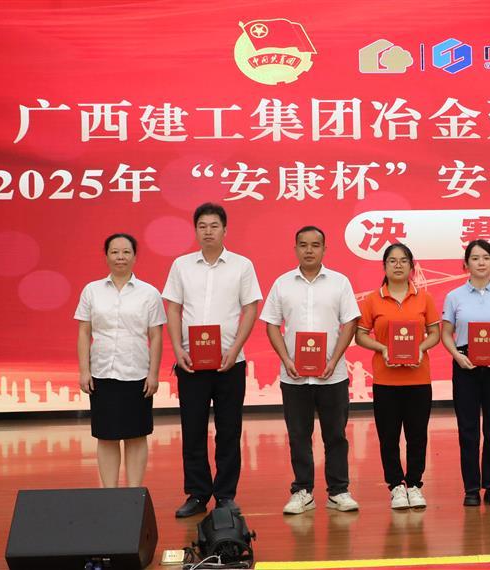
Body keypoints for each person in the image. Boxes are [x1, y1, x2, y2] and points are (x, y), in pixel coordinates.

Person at [162, 203, 262, 517]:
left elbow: (251, 308)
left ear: (225, 230)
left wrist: (236, 349)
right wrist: (177, 348)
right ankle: (197, 494)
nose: (208, 231)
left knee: (229, 430)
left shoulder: (242, 265)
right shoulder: (181, 265)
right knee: (192, 429)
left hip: (230, 362)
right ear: (195, 230)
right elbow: (174, 308)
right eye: (202, 226)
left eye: (214, 226)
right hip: (191, 362)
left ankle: (225, 495)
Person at [261, 226, 361, 514]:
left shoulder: (340, 283)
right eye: (303, 245)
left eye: (315, 245)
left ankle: (338, 491)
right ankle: (302, 491)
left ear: (324, 249)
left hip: (333, 376)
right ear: (295, 248)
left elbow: (350, 323)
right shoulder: (282, 284)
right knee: (298, 436)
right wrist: (286, 359)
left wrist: (334, 360)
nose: (309, 250)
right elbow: (272, 324)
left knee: (336, 436)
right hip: (294, 377)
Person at [75, 233, 166, 488]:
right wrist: (84, 371)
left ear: (135, 257)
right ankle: (110, 494)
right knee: (106, 436)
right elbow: (84, 332)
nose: (120, 257)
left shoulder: (149, 293)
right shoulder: (92, 290)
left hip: (137, 374)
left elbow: (156, 336)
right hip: (102, 373)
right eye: (114, 252)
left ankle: (134, 493)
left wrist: (153, 374)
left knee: (136, 435)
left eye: (126, 252)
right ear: (106, 256)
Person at [355, 243, 440, 510]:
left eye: (404, 260)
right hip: (386, 380)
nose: (398, 265)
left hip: (418, 379)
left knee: (417, 436)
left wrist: (420, 348)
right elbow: (360, 335)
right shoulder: (373, 299)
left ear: (412, 266)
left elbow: (435, 334)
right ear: (384, 266)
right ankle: (396, 486)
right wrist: (382, 348)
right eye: (392, 261)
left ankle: (414, 484)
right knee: (388, 437)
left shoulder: (424, 298)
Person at [441, 239, 490, 507]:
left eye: (486, 257)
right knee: (468, 430)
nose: (481, 263)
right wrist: (457, 356)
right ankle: (471, 488)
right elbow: (446, 333)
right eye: (475, 258)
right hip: (466, 365)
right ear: (466, 264)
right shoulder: (454, 296)